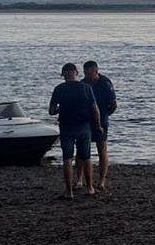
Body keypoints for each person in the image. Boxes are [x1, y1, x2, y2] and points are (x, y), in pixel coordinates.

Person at [48, 62, 103, 199]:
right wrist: (98, 126)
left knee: (67, 158)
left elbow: (51, 111)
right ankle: (89, 187)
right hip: (84, 126)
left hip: (66, 127)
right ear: (76, 73)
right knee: (86, 157)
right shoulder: (86, 87)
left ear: (63, 75)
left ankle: (69, 192)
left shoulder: (59, 89)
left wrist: (60, 109)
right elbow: (95, 109)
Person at [83, 60, 117, 191]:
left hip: (101, 119)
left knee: (102, 149)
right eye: (85, 73)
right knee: (83, 150)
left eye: (89, 73)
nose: (87, 75)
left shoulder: (105, 83)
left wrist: (105, 116)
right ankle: (80, 179)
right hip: (86, 119)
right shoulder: (83, 83)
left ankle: (101, 181)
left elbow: (113, 104)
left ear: (96, 71)